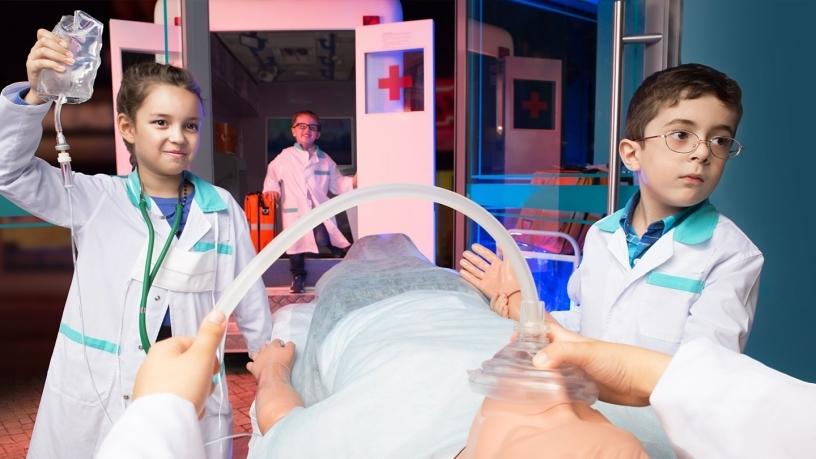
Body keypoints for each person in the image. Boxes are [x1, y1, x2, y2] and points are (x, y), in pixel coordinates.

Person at [0, 29, 272, 458]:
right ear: (127, 127)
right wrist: (36, 96)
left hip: (184, 392)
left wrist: (271, 377)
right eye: (161, 122)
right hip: (99, 391)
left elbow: (251, 304)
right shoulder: (94, 199)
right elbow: (8, 172)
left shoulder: (221, 210)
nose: (178, 136)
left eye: (190, 125)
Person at [461, 63, 764, 355]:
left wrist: (521, 303)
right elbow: (584, 325)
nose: (703, 152)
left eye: (720, 140)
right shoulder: (601, 235)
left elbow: (699, 374)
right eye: (681, 135)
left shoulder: (732, 255)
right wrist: (516, 312)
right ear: (632, 154)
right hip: (584, 391)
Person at [535, 322, 816, 458]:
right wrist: (650, 374)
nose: (564, 407)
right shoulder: (599, 235)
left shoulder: (733, 251)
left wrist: (649, 375)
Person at [262, 110, 356, 293]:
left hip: (317, 210)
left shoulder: (325, 159)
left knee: (323, 237)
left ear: (318, 133)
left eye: (312, 127)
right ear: (293, 131)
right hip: (295, 210)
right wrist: (272, 190)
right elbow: (271, 176)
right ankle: (298, 277)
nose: (307, 130)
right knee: (295, 245)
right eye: (302, 126)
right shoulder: (284, 157)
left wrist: (354, 181)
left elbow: (337, 184)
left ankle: (346, 263)